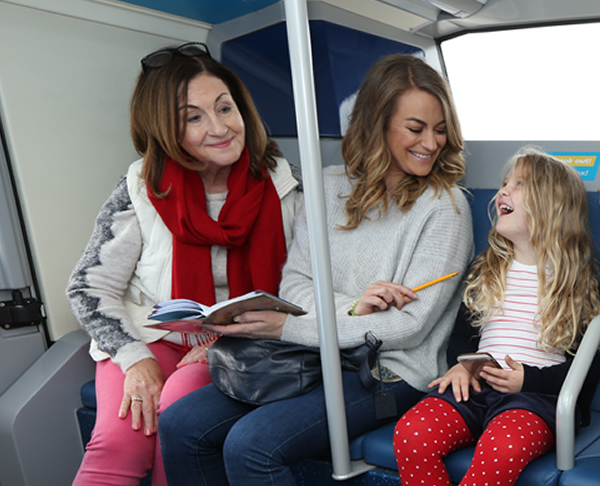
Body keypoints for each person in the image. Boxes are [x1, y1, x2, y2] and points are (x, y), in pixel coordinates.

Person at [159, 53, 475, 485]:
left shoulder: (446, 208)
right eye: (416, 129)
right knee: (181, 425)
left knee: (252, 446)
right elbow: (298, 285)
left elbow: (409, 328)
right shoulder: (327, 186)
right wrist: (352, 310)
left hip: (390, 370)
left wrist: (286, 328)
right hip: (311, 355)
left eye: (440, 131)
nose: (431, 143)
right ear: (376, 126)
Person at [66, 42, 300, 486]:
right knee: (118, 443)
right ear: (165, 128)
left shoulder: (285, 188)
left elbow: (299, 291)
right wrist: (135, 360)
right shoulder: (141, 185)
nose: (219, 128)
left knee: (177, 417)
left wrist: (220, 338)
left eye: (225, 108)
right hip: (147, 335)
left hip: (236, 342)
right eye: (194, 117)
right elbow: (88, 288)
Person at [394, 149, 600, 486]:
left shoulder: (580, 283)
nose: (503, 190)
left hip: (536, 399)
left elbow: (588, 369)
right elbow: (462, 336)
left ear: (552, 205)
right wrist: (460, 365)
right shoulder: (486, 270)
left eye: (518, 184)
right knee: (411, 434)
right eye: (504, 183)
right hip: (476, 386)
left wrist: (528, 381)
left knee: (502, 448)